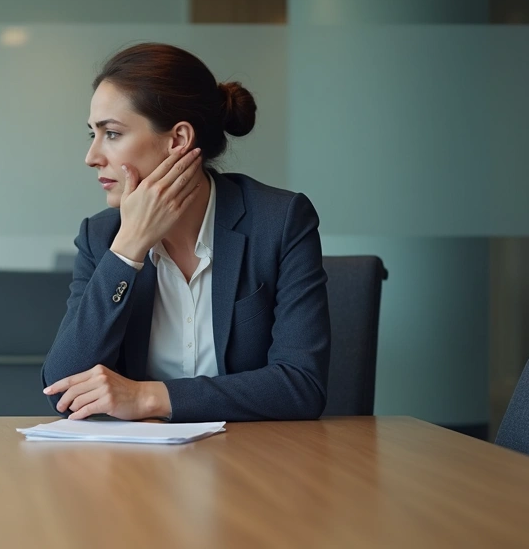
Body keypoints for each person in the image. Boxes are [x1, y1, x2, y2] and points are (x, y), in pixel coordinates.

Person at [42, 42, 330, 423]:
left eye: (111, 134)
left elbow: (301, 385)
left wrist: (147, 397)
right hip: (134, 470)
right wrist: (129, 248)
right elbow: (62, 389)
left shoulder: (279, 221)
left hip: (254, 462)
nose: (92, 156)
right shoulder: (102, 236)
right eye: (92, 134)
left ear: (177, 140)